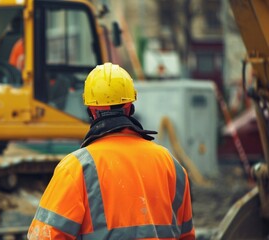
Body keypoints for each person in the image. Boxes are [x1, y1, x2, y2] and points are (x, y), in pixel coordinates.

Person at [27, 62, 195, 240]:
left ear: (90, 110)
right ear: (130, 106)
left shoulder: (76, 168)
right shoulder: (170, 164)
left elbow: (44, 236)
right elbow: (187, 236)